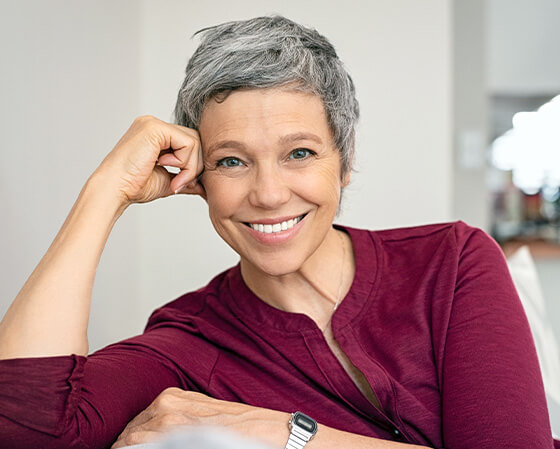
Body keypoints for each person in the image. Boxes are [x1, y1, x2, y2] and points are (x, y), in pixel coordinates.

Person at [0, 15, 556, 449]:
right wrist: (106, 192)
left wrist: (285, 435)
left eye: (299, 153)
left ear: (345, 160)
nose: (268, 194)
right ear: (195, 178)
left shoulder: (452, 260)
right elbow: (28, 431)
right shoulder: (190, 340)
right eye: (232, 162)